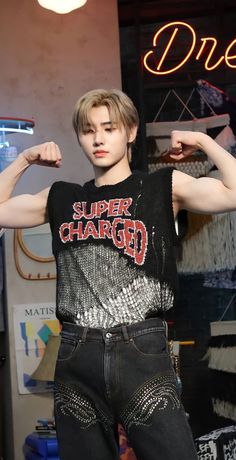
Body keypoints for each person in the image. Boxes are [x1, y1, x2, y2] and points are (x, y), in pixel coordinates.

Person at [1, 89, 236, 460]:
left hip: (140, 352)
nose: (97, 138)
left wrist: (204, 142)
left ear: (129, 132)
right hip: (78, 355)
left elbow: (233, 192)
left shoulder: (163, 187)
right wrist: (25, 159)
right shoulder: (62, 197)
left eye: (108, 128)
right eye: (88, 129)